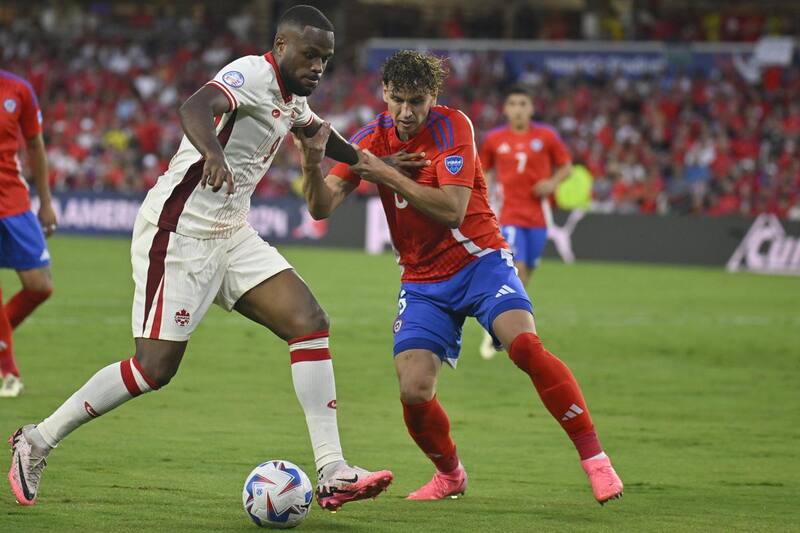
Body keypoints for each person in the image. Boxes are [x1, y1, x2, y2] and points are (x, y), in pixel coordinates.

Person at [8, 5, 392, 511]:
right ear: (280, 46)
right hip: (179, 230)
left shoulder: (291, 97)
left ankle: (333, 469)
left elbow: (324, 137)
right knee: (153, 369)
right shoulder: (252, 73)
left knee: (310, 322)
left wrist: (381, 164)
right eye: (310, 53)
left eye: (326, 58)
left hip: (232, 232)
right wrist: (211, 151)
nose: (319, 65)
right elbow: (194, 107)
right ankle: (37, 439)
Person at [295, 50, 623, 504]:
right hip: (422, 281)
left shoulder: (454, 127)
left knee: (524, 346)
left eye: (417, 102)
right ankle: (450, 476)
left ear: (433, 97)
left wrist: (385, 172)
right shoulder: (370, 139)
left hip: (479, 262)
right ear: (384, 95)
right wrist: (312, 163)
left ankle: (595, 460)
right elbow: (321, 206)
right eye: (397, 101)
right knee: (413, 390)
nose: (406, 113)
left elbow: (451, 210)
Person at [477, 86, 572, 359]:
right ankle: (498, 328)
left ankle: (499, 320)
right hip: (509, 214)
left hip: (539, 217)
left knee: (526, 273)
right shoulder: (495, 139)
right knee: (515, 268)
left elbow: (565, 166)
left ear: (531, 108)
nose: (518, 108)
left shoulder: (546, 136)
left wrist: (552, 182)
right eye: (513, 103)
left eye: (523, 103)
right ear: (505, 109)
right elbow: (483, 170)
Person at [0, 69, 56, 398]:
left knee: (40, 286)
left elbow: (35, 145)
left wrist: (46, 203)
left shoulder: (18, 90)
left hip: (13, 199)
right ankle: (8, 371)